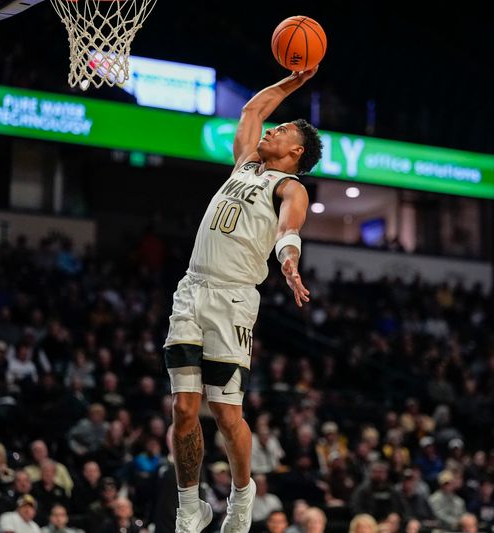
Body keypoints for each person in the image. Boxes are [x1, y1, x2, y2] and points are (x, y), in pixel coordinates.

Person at [165, 67, 322, 533]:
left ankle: (240, 495)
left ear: (296, 152)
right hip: (191, 289)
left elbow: (288, 231)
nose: (272, 129)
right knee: (184, 409)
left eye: (284, 130)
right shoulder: (244, 165)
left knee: (227, 414)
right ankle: (189, 505)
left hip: (233, 300)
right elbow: (254, 108)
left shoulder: (290, 188)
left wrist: (290, 263)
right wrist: (294, 79)